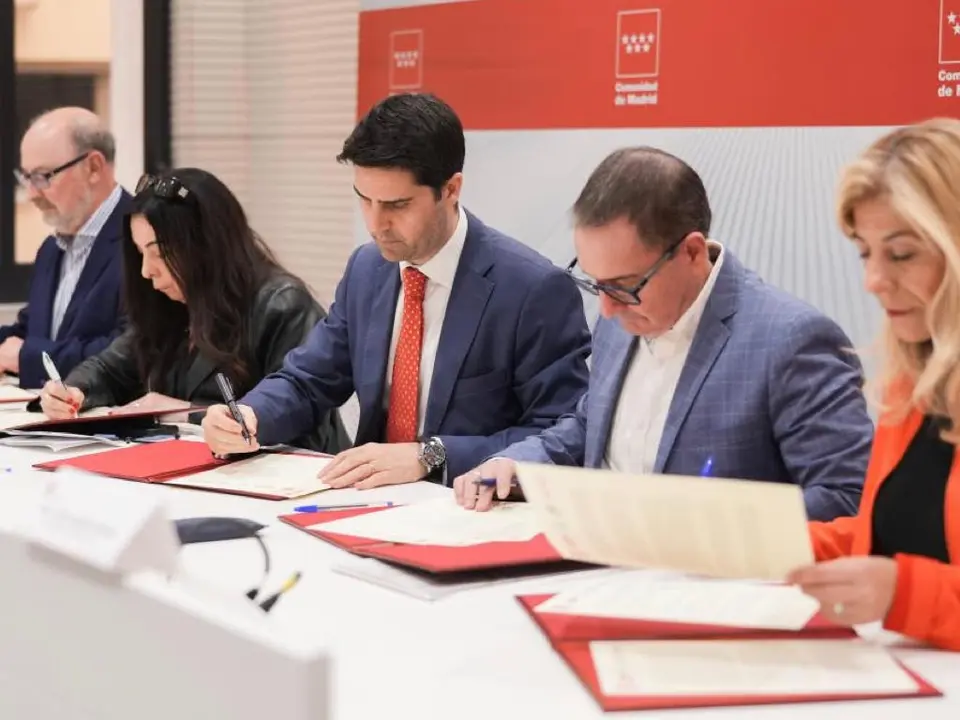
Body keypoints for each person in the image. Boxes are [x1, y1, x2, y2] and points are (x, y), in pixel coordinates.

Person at [454, 146, 873, 522]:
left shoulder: (790, 340)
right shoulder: (623, 313)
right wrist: (520, 462)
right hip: (589, 561)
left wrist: (703, 525)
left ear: (691, 252)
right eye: (597, 284)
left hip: (712, 574)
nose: (607, 309)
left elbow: (846, 498)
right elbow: (590, 424)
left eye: (625, 286)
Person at [202, 92, 591, 486]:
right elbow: (309, 380)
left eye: (397, 205)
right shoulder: (367, 269)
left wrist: (430, 455)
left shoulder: (531, 290)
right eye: (365, 200)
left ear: (451, 189)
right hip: (367, 498)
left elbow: (559, 432)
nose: (376, 225)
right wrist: (250, 416)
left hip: (466, 504)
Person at [786, 118, 960, 650]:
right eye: (865, 252)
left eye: (901, 253)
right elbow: (881, 537)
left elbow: (899, 579)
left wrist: (903, 593)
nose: (874, 281)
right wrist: (764, 541)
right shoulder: (913, 382)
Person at [39, 167, 349, 454]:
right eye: (140, 253)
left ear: (206, 246)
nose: (147, 271)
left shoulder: (281, 304)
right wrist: (74, 391)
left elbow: (297, 413)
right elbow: (110, 368)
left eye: (160, 253)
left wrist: (181, 412)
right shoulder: (171, 304)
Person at [1, 107, 128, 388]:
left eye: (43, 176)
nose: (32, 194)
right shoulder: (51, 248)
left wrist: (26, 358)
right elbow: (33, 330)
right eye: (26, 178)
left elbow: (132, 353)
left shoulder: (143, 241)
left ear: (93, 167)